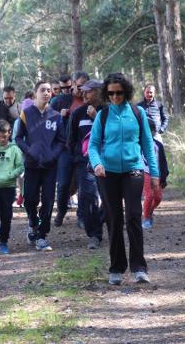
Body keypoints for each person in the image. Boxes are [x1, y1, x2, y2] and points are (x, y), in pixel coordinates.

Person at [88, 73, 159, 286]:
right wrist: (97, 163)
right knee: (114, 219)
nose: (115, 96)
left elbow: (148, 143)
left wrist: (154, 174)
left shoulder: (137, 113)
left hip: (133, 170)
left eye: (119, 92)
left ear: (125, 92)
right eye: (111, 93)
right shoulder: (102, 115)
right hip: (107, 173)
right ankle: (116, 267)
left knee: (134, 218)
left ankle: (139, 268)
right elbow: (93, 145)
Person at [15, 80, 66, 251]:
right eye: (43, 90)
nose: (46, 93)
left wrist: (53, 155)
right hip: (32, 164)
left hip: (50, 166)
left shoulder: (56, 116)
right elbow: (18, 138)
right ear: (35, 93)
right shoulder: (26, 113)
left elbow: (61, 140)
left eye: (49, 91)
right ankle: (33, 223)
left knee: (49, 200)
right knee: (29, 199)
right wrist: (29, 151)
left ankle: (42, 236)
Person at [66, 79, 105, 249]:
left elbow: (114, 134)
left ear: (99, 92)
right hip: (85, 163)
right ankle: (95, 235)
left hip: (108, 162)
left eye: (89, 91)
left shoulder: (108, 111)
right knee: (88, 196)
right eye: (83, 91)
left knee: (109, 199)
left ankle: (102, 221)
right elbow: (71, 140)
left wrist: (97, 118)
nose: (84, 94)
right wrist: (77, 161)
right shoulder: (78, 113)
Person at [51, 71, 89, 227]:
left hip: (83, 149)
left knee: (84, 185)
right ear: (73, 83)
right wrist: (59, 116)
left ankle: (81, 216)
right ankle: (61, 211)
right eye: (78, 86)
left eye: (84, 87)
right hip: (65, 149)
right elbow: (48, 120)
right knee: (64, 184)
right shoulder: (60, 100)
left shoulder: (89, 101)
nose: (81, 89)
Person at [0, 120, 24, 254]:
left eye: (4, 136)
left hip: (8, 187)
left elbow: (20, 167)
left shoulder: (14, 149)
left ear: (9, 133)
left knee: (6, 215)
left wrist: (11, 175)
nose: (2, 139)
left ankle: (3, 241)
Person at [142, 120, 169, 229]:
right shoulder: (139, 144)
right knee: (150, 195)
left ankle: (149, 212)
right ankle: (146, 218)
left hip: (157, 174)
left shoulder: (158, 145)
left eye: (152, 130)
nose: (150, 132)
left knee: (158, 198)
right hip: (145, 172)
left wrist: (164, 177)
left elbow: (163, 162)